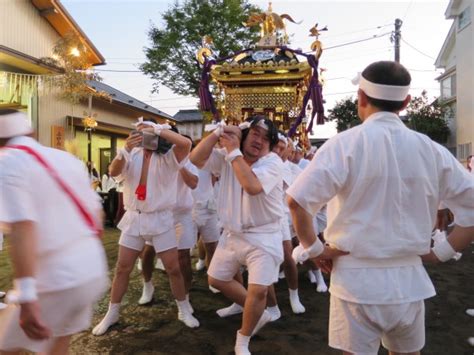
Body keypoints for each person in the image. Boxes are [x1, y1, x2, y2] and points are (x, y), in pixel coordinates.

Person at [287, 61, 474, 355]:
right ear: (406, 102)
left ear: (361, 97)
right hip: (409, 282)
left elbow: (297, 202)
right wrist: (440, 253)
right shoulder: (431, 150)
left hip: (355, 283)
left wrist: (314, 250)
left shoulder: (343, 145)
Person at [0, 109, 108, 354]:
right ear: (31, 132)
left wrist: (26, 297)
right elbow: (97, 217)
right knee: (57, 344)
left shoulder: (7, 162)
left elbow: (21, 228)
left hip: (55, 279)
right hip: (91, 270)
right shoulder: (66, 159)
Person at [92, 118, 199, 336]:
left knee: (173, 267)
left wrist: (158, 130)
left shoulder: (170, 156)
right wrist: (125, 149)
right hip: (135, 217)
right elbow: (113, 172)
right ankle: (112, 313)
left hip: (161, 218)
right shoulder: (132, 153)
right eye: (139, 132)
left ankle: (183, 308)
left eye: (147, 133)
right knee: (122, 267)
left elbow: (186, 144)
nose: (143, 136)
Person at [190, 116, 284, 355]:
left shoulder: (272, 162)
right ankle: (257, 311)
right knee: (215, 280)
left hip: (264, 235)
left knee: (259, 290)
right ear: (244, 135)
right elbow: (195, 158)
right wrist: (217, 133)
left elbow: (251, 186)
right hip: (232, 233)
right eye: (255, 134)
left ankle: (242, 339)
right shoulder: (226, 155)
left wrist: (233, 151)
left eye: (266, 138)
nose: (260, 141)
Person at [266, 132, 305, 316]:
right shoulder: (259, 161)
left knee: (288, 257)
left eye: (283, 148)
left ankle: (294, 295)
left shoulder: (287, 167)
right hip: (259, 218)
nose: (279, 151)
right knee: (263, 262)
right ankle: (272, 306)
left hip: (280, 216)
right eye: (277, 147)